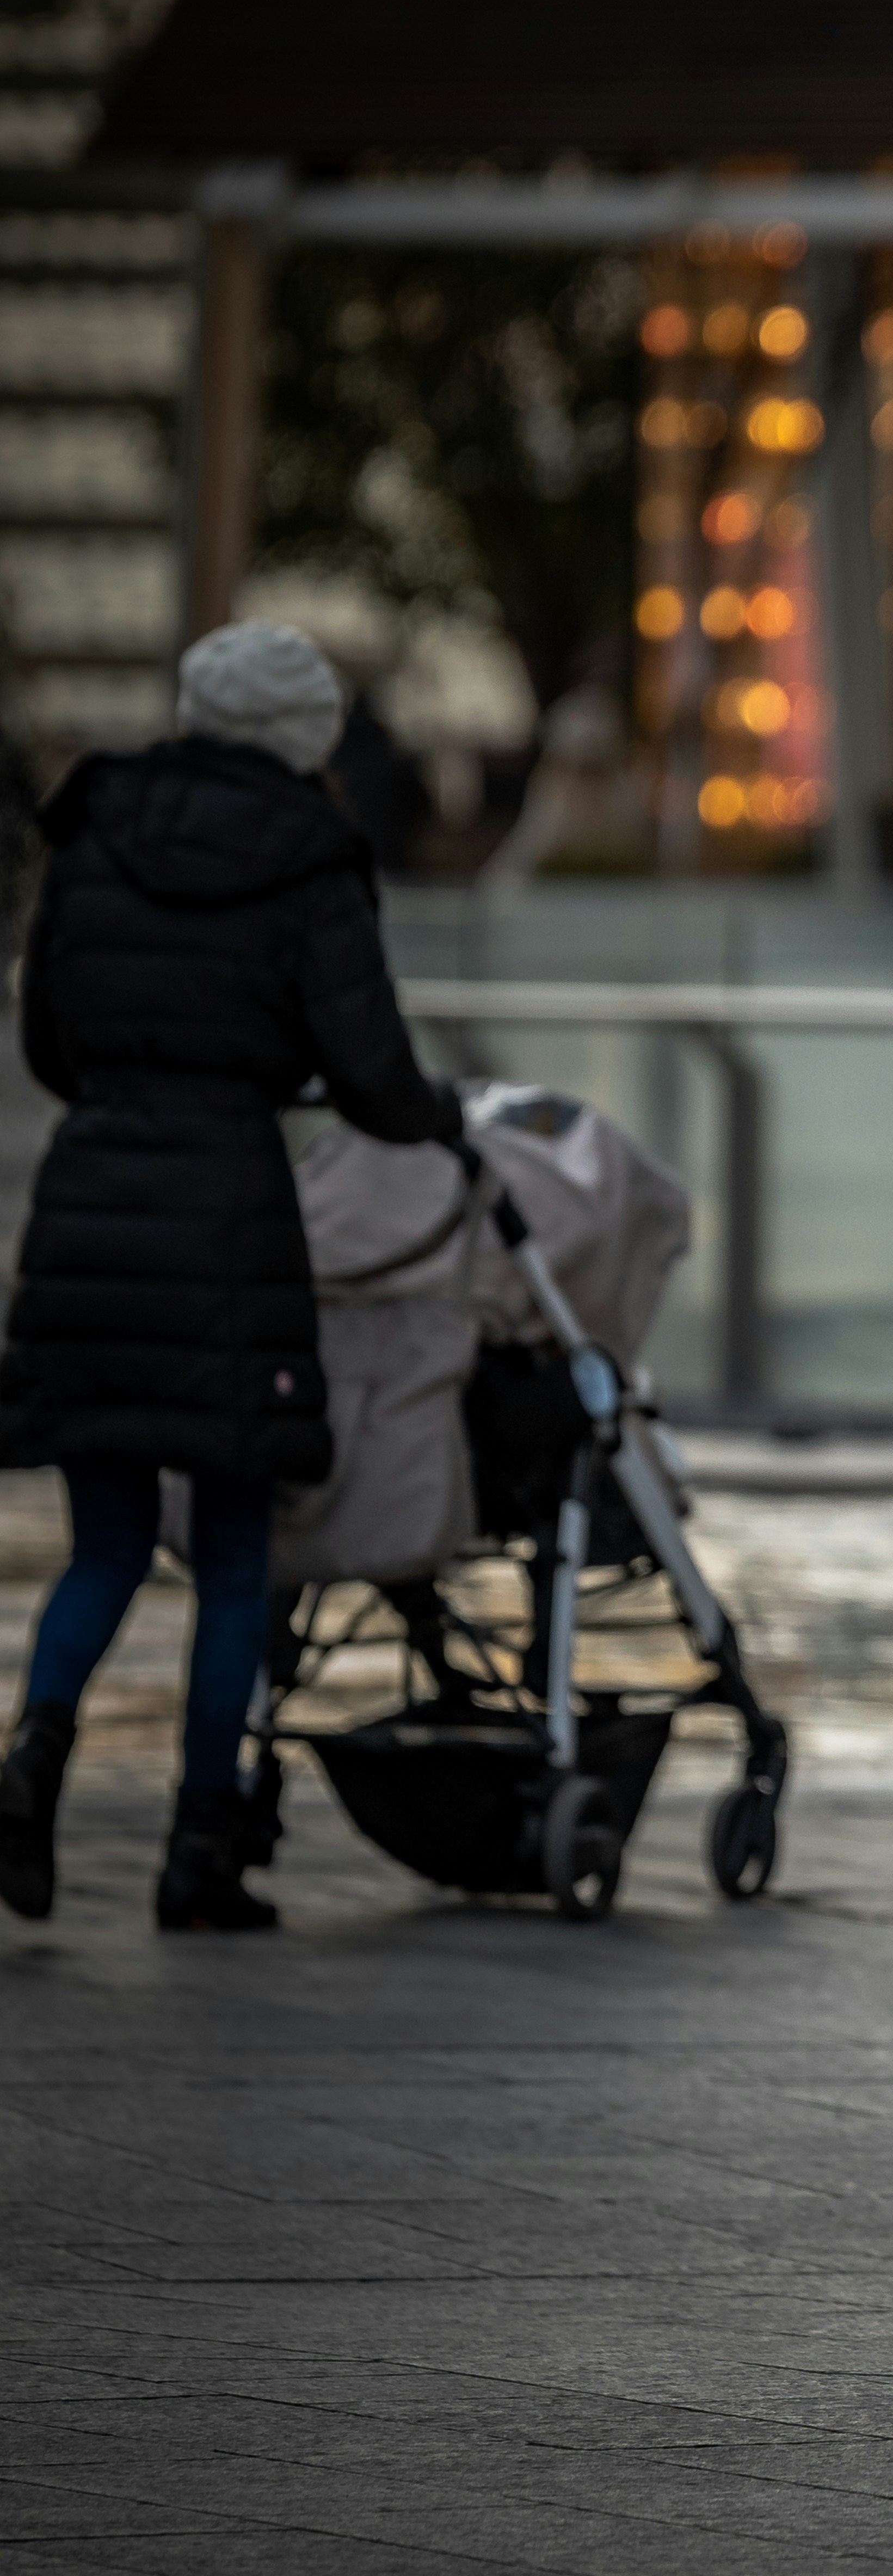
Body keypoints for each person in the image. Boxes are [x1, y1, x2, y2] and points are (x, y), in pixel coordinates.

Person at [0, 621, 465, 1931]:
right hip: (228, 1219)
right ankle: (201, 1852)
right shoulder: (312, 857)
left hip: (88, 1202)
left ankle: (33, 1758)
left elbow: (46, 1035)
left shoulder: (91, 828)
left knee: (101, 1543)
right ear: (305, 736)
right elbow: (369, 1070)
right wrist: (437, 1121)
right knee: (238, 1555)